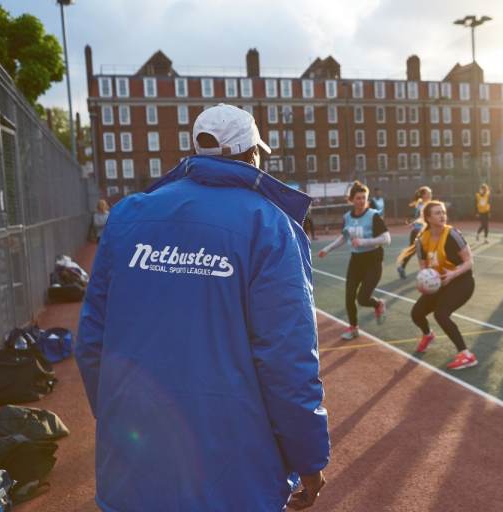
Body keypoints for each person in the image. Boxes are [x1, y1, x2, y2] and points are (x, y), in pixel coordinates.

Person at [76, 104, 329, 511]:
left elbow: (91, 341)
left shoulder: (127, 216)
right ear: (251, 155)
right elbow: (287, 359)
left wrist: (116, 415)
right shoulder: (270, 225)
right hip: (234, 472)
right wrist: (309, 457)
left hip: (134, 463)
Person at [408, 201, 477, 370]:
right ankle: (428, 334)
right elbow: (423, 268)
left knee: (441, 314)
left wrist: (453, 274)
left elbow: (469, 261)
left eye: (443, 212)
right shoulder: (421, 240)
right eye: (437, 213)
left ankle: (466, 355)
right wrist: (422, 282)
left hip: (462, 281)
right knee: (416, 313)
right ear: (428, 218)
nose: (442, 216)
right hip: (439, 283)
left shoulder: (452, 234)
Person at [318, 181, 391, 340]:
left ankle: (378, 304)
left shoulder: (374, 215)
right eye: (358, 198)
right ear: (351, 199)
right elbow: (344, 237)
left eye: (364, 197)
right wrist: (327, 249)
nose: (361, 201)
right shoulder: (347, 217)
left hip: (373, 260)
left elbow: (386, 238)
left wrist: (365, 242)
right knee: (349, 296)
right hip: (356, 261)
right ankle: (353, 328)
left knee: (363, 299)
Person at [396, 186, 432, 279]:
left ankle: (402, 267)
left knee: (417, 250)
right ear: (423, 195)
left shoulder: (420, 204)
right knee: (422, 250)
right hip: (420, 231)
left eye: (430, 193)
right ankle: (426, 271)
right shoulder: (424, 206)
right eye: (428, 194)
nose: (430, 195)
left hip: (419, 230)